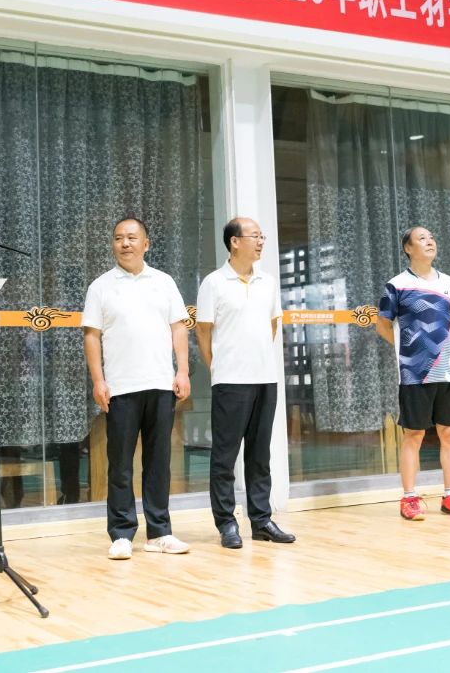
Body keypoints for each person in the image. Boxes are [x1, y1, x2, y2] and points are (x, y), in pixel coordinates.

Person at [83, 217, 192, 560]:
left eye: (132, 237)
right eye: (119, 238)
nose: (125, 243)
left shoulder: (164, 282)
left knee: (159, 462)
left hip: (161, 383)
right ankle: (121, 534)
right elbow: (91, 336)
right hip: (120, 388)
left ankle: (159, 532)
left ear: (146, 244)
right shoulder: (100, 286)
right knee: (120, 465)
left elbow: (179, 328)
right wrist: (98, 380)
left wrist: (183, 371)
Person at [195, 217, 296, 549]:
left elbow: (272, 326)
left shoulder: (268, 282)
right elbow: (203, 331)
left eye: (261, 236)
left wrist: (257, 359)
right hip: (230, 381)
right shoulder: (213, 283)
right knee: (225, 457)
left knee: (259, 455)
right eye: (255, 236)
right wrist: (219, 367)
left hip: (265, 379)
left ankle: (261, 520)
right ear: (235, 242)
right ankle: (226, 523)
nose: (261, 241)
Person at [376, 226, 450, 521]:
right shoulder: (396, 285)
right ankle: (409, 497)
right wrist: (408, 351)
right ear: (408, 248)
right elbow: (382, 324)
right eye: (422, 238)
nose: (430, 241)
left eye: (431, 237)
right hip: (413, 374)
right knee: (414, 434)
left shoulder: (448, 283)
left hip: (448, 371)